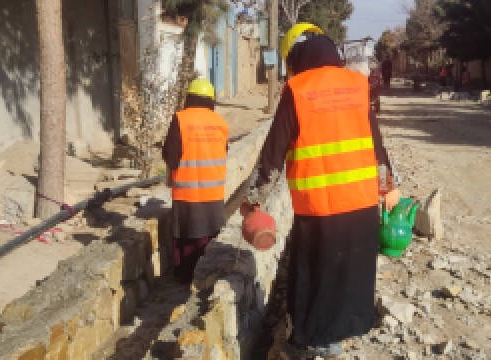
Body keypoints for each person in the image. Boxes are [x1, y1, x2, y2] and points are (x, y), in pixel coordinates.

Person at [244, 22, 400, 358]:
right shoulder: (358, 85)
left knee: (314, 276)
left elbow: (272, 154)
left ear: (297, 56)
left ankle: (313, 342)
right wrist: (388, 187)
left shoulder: (298, 89)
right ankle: (342, 334)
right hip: (360, 205)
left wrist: (252, 200)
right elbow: (376, 144)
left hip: (320, 209)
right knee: (351, 272)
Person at [161, 78, 229, 283]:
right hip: (214, 194)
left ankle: (184, 279)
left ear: (189, 97)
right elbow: (223, 152)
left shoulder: (180, 119)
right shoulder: (221, 122)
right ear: (211, 100)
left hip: (187, 193)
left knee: (187, 241)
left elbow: (169, 156)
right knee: (208, 241)